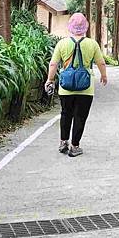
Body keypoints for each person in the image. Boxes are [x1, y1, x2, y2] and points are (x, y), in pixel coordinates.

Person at [45, 13, 107, 157]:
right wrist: (104, 76)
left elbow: (54, 63)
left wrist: (50, 79)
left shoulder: (62, 43)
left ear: (70, 27)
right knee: (80, 116)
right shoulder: (92, 44)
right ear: (85, 27)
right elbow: (101, 62)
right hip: (86, 88)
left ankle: (63, 142)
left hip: (65, 88)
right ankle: (75, 146)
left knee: (65, 114)